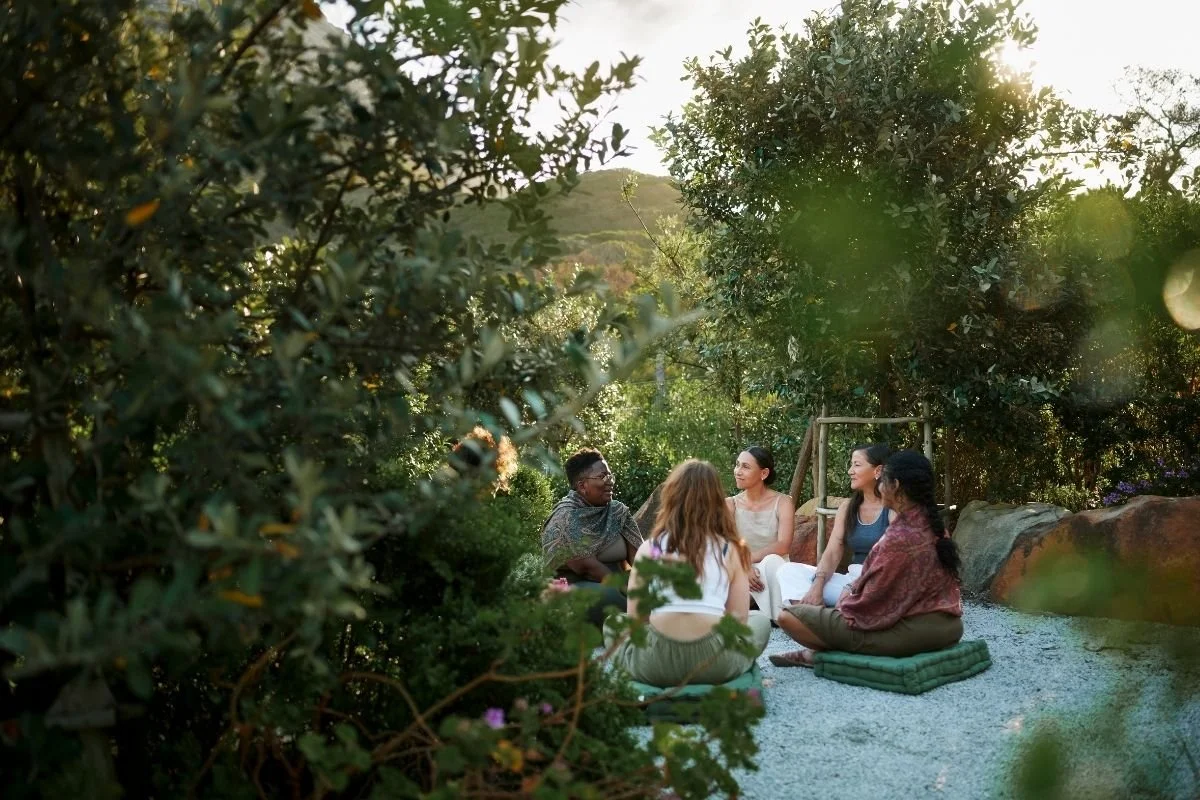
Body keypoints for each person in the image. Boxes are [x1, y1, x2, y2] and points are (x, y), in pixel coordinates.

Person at [770, 450, 963, 666]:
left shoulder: (899, 536)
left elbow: (871, 603)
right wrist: (822, 586)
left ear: (895, 485)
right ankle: (822, 646)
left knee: (788, 617)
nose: (851, 471)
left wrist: (843, 608)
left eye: (857, 465)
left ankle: (818, 655)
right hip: (950, 628)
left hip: (914, 632)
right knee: (792, 575)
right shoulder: (932, 527)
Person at [606, 460, 771, 687]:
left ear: (671, 498)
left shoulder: (649, 549)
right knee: (759, 621)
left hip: (656, 665)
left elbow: (637, 619)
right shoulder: (732, 550)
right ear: (717, 501)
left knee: (614, 623)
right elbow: (738, 620)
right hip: (714, 664)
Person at [771, 444, 892, 618]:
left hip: (879, 583)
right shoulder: (848, 507)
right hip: (850, 581)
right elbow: (832, 552)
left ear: (878, 471)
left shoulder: (893, 508)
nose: (850, 471)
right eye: (851, 464)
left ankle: (822, 620)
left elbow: (893, 559)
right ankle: (816, 618)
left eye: (857, 465)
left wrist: (853, 586)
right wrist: (817, 585)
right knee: (788, 571)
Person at [541, 448, 643, 626]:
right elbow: (587, 567)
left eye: (610, 476)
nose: (610, 482)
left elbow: (639, 557)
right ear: (582, 486)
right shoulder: (564, 517)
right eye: (602, 477)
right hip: (577, 585)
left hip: (619, 581)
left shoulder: (617, 512)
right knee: (615, 599)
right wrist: (627, 589)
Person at [725, 446, 794, 619]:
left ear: (763, 473)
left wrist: (749, 560)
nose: (738, 471)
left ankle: (781, 619)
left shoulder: (783, 502)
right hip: (739, 567)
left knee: (771, 562)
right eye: (737, 465)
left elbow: (783, 545)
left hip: (772, 569)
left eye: (745, 467)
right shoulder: (729, 504)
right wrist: (743, 566)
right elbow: (727, 545)